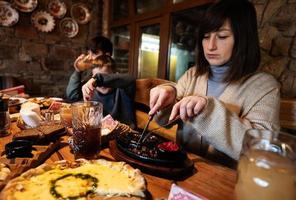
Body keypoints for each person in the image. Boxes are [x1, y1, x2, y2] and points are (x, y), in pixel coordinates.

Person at [148, 0, 280, 160]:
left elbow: (261, 152)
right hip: (182, 169)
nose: (210, 46)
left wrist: (207, 111)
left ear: (243, 38)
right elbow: (164, 121)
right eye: (205, 36)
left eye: (222, 36)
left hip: (228, 181)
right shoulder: (193, 75)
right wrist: (168, 95)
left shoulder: (264, 87)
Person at [66, 37, 136, 129]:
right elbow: (72, 96)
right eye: (89, 53)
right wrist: (78, 71)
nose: (90, 57)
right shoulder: (91, 90)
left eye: (94, 53)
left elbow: (129, 79)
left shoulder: (121, 89)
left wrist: (98, 80)